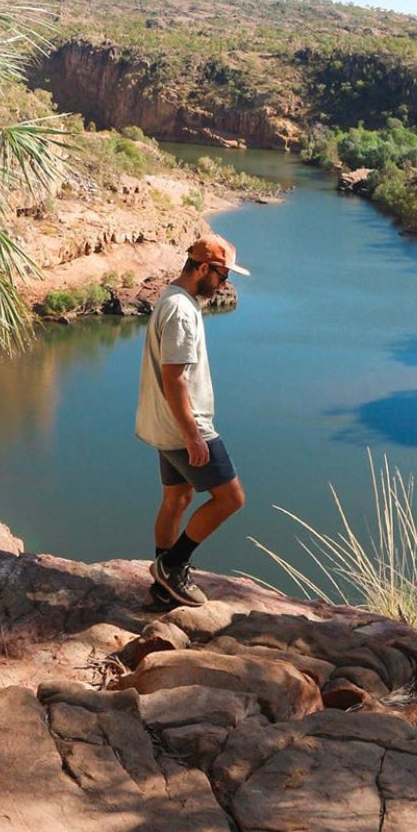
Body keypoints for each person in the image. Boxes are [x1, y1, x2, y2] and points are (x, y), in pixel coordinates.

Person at [136, 233, 249, 607]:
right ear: (203, 267)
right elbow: (175, 377)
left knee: (178, 497)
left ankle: (162, 587)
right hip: (184, 426)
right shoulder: (183, 311)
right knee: (231, 498)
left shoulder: (170, 298)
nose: (224, 285)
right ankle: (173, 564)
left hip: (161, 424)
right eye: (222, 276)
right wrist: (194, 436)